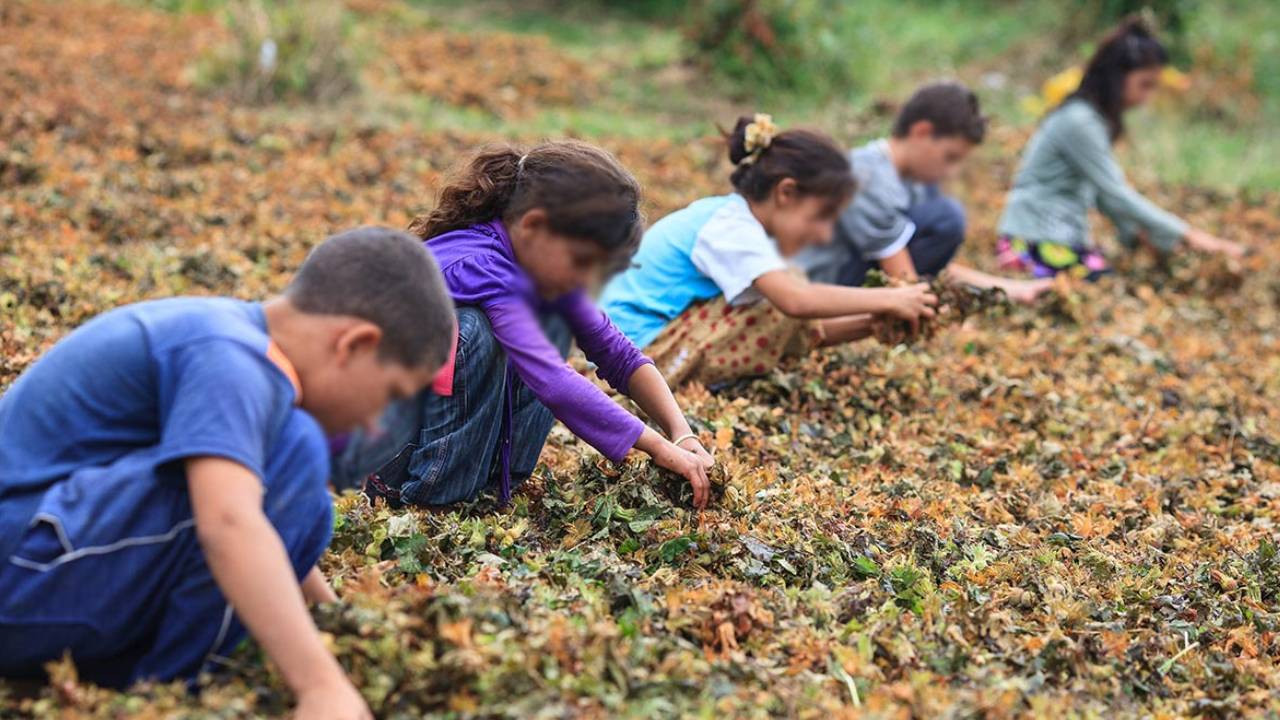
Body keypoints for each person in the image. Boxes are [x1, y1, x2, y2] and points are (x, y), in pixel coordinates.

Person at [0, 227, 455, 720]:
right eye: (389, 395)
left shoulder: (230, 336)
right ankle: (168, 690)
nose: (374, 422)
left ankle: (146, 675)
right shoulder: (232, 358)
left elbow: (274, 527)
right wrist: (321, 686)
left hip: (42, 569)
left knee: (299, 483)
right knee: (294, 453)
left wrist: (335, 622)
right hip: (19, 575)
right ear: (355, 344)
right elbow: (230, 523)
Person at [332, 141, 717, 510]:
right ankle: (432, 497)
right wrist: (659, 448)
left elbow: (618, 354)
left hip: (450, 447)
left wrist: (681, 432)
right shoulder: (479, 265)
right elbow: (553, 380)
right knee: (472, 333)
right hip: (383, 457)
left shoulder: (545, 267)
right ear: (533, 226)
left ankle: (486, 490)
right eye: (583, 262)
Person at [599, 114, 939, 388]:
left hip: (638, 346)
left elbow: (799, 323)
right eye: (820, 217)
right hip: (627, 357)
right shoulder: (729, 226)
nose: (822, 234)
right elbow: (795, 303)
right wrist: (890, 299)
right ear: (786, 192)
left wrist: (874, 321)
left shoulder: (734, 222)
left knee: (779, 296)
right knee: (780, 299)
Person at [997, 18, 1246, 280]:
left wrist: (1138, 235)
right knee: (1102, 288)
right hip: (1035, 237)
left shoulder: (1091, 120)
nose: (1147, 97)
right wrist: (1191, 235)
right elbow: (1115, 193)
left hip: (1058, 235)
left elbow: (1104, 196)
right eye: (1145, 84)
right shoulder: (1079, 121)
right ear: (1117, 76)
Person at [796, 82, 1053, 303]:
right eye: (949, 157)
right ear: (922, 132)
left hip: (852, 279)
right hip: (816, 287)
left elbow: (927, 266)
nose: (951, 171)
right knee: (947, 218)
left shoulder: (913, 183)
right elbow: (904, 282)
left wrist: (1010, 289)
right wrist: (934, 313)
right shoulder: (870, 178)